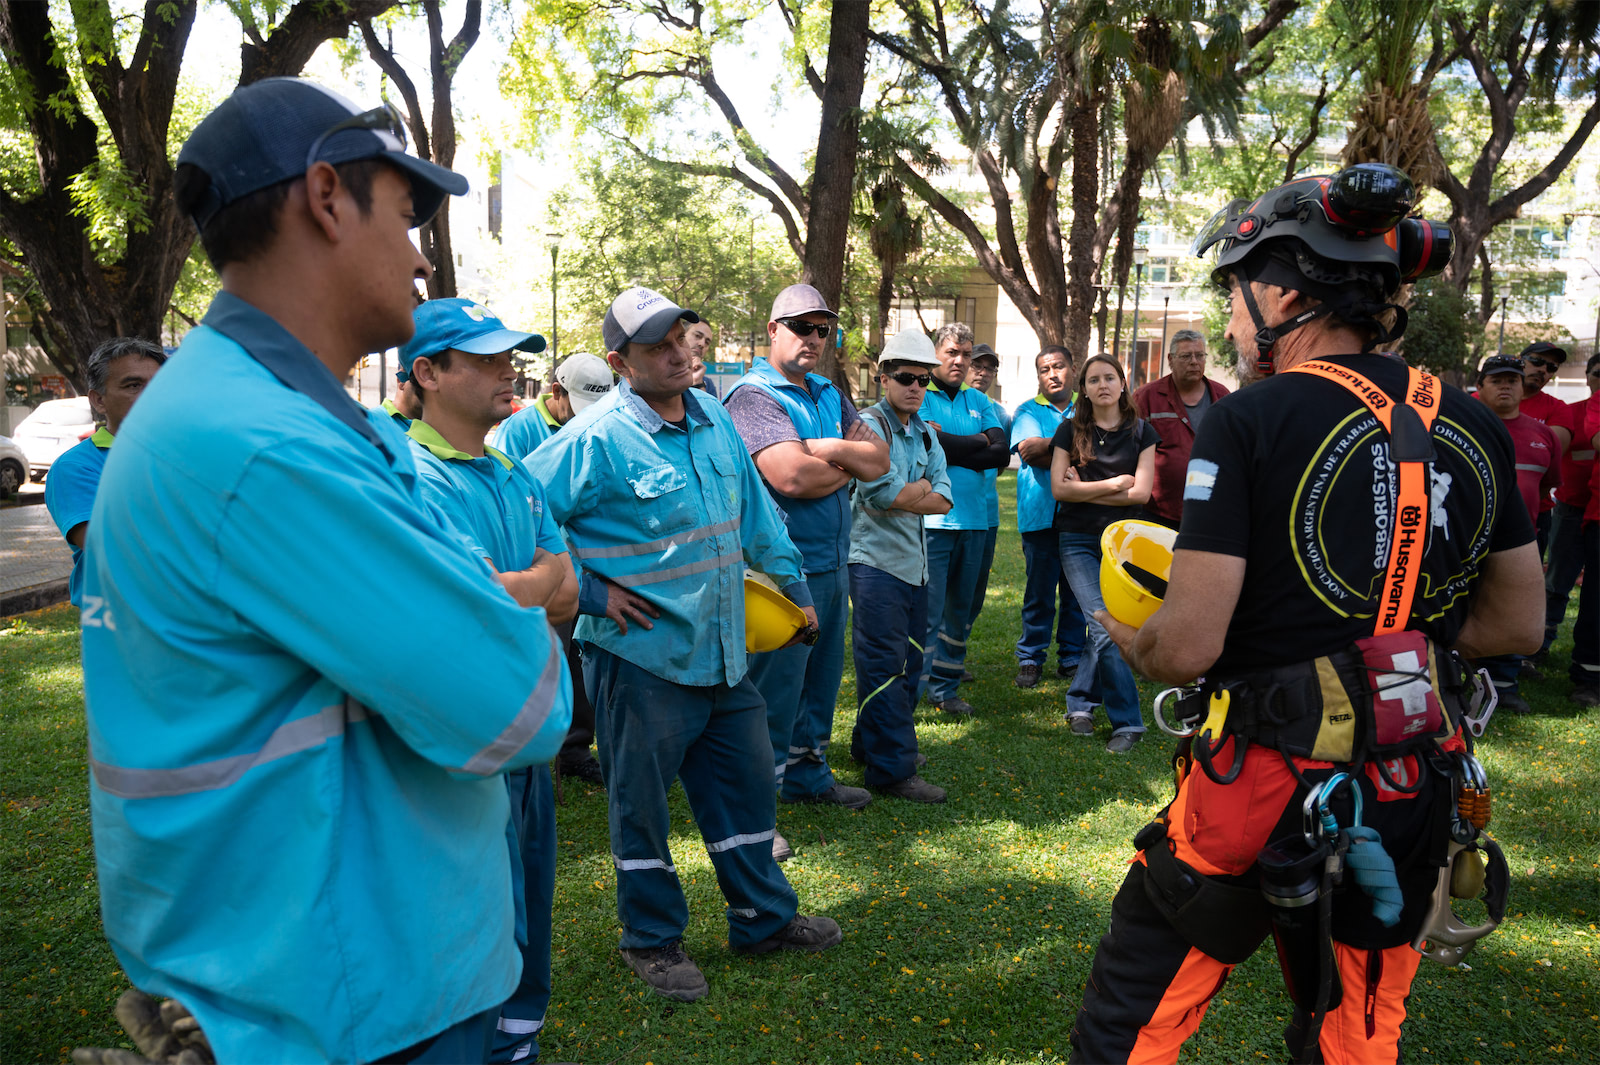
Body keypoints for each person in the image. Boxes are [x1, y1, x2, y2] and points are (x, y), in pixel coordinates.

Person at [81, 78, 573, 1063]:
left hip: (305, 966)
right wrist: (532, 606)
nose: (422, 250)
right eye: (407, 212)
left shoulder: (254, 412)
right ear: (325, 198)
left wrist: (479, 602)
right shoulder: (265, 444)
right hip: (346, 994)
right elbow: (519, 708)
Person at [1072, 165, 1542, 1064]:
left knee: (1135, 1020)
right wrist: (1399, 643)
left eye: (1240, 298)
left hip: (1255, 783)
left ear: (1284, 289)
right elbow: (1518, 625)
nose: (1237, 323)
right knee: (1356, 1033)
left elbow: (1188, 646)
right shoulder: (1476, 424)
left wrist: (1132, 634)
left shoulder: (1249, 421)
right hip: (1410, 780)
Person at [526, 286, 841, 1004]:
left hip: (725, 652)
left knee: (746, 786)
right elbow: (520, 521)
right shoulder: (593, 437)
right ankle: (652, 938)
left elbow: (756, 513)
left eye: (681, 339)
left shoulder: (711, 414)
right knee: (641, 804)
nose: (677, 354)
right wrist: (591, 592)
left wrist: (792, 582)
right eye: (656, 347)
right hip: (640, 658)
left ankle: (762, 917)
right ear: (620, 361)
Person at [399, 296, 577, 1064]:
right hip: (467, 742)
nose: (511, 371)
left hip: (531, 733)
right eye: (486, 358)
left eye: (512, 356)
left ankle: (517, 1041)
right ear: (429, 373)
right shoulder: (413, 476)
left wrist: (521, 581)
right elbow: (471, 604)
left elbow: (566, 585)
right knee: (474, 913)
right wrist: (529, 581)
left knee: (530, 897)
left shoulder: (511, 469)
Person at [725, 284, 887, 842]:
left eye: (823, 330)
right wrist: (846, 456)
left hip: (832, 561)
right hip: (780, 571)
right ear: (773, 331)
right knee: (771, 696)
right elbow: (791, 477)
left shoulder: (826, 389)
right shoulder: (753, 396)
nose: (814, 339)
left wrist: (824, 450)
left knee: (819, 683)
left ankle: (808, 773)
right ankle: (755, 812)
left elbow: (879, 460)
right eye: (802, 327)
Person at [491, 351, 617, 786]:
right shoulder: (517, 431)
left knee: (580, 662)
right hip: (543, 569)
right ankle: (536, 749)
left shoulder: (603, 423)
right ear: (556, 392)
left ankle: (577, 748)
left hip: (590, 567)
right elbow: (510, 506)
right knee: (552, 656)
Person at [848, 329, 953, 803]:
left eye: (923, 379)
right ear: (883, 377)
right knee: (884, 666)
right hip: (875, 565)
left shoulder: (925, 432)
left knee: (909, 662)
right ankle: (891, 769)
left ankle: (874, 745)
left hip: (915, 566)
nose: (915, 386)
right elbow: (881, 494)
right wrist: (918, 492)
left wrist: (906, 496)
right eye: (905, 377)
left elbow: (945, 498)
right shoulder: (870, 427)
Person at [1049, 353, 1157, 751]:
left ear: (1123, 383)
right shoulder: (1068, 431)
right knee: (1105, 626)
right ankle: (1129, 723)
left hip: (1124, 544)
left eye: (1109, 378)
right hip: (1076, 539)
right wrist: (1114, 485)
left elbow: (1142, 493)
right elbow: (1060, 491)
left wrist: (1085, 489)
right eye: (1093, 380)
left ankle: (1079, 702)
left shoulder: (1143, 432)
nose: (1103, 385)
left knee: (1108, 624)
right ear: (1085, 389)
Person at [918, 322, 1010, 715]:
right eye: (952, 352)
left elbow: (1001, 453)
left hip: (974, 519)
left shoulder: (980, 400)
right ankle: (915, 688)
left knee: (959, 610)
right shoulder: (921, 392)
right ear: (936, 353)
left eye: (966, 354)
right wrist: (978, 443)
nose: (959, 360)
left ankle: (945, 687)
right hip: (934, 522)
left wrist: (952, 445)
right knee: (927, 609)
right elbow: (926, 444)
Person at [44, 336, 166, 608]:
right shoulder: (76, 467)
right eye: (134, 385)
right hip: (124, 622)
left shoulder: (184, 455)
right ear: (99, 400)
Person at [1473, 353, 1560, 715]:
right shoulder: (1465, 425)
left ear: (1523, 387)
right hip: (1470, 536)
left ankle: (1505, 684)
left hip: (1521, 538)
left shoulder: (1543, 434)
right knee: (1467, 605)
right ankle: (1462, 677)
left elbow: (1547, 488)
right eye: (1497, 380)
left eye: (1512, 379)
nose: (1506, 385)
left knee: (1509, 607)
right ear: (1480, 388)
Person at [1010, 346, 1088, 688]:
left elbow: (1101, 451)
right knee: (1039, 593)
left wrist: (1051, 447)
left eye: (1058, 367)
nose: (1052, 374)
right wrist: (1076, 451)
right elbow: (1028, 451)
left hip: (1080, 517)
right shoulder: (1028, 409)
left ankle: (1071, 655)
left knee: (1075, 592)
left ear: (1073, 369)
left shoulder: (1087, 409)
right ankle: (1030, 656)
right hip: (1039, 515)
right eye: (1044, 369)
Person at [1133, 329, 1230, 529]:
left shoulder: (1223, 397)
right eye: (1186, 356)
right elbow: (1129, 450)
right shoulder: (1146, 397)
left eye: (1200, 355)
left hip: (1210, 510)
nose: (1194, 361)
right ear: (1170, 359)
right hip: (1157, 513)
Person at [1544, 352, 1599, 663]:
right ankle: (1541, 642)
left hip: (1597, 510)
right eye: (1598, 374)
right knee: (1558, 580)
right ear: (1586, 377)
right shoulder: (1570, 413)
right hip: (1571, 507)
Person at [963, 344, 1008, 661]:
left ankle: (954, 655)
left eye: (989, 368)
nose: (983, 372)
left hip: (987, 514)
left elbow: (1000, 458)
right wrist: (981, 445)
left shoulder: (1000, 413)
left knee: (974, 593)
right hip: (947, 514)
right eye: (977, 365)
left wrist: (972, 449)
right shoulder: (943, 400)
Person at [491, 351, 615, 460]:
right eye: (580, 410)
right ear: (557, 391)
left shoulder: (604, 426)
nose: (588, 419)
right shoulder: (516, 430)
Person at [1515, 341, 1575, 556]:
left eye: (1551, 367)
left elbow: (1547, 459)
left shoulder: (1558, 409)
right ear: (1520, 360)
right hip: (1480, 504)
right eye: (1537, 361)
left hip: (1533, 512)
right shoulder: (1481, 400)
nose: (1543, 370)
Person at [685, 319, 720, 397]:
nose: (702, 344)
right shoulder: (662, 373)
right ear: (682, 335)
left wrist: (698, 384)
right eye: (697, 336)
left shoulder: (707, 384)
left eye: (707, 342)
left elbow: (708, 409)